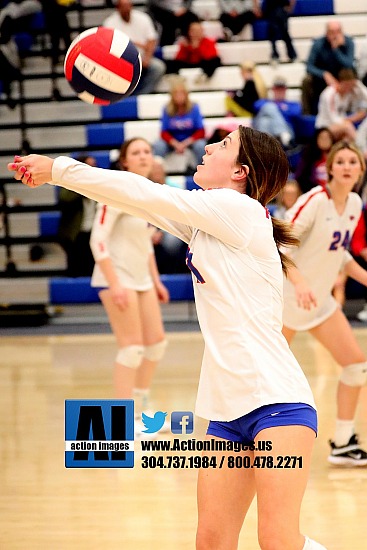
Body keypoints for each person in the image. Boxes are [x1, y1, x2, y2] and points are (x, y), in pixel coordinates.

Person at [9, 126, 327, 550]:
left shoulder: (240, 210)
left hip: (278, 401)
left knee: (277, 539)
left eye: (224, 144)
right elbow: (132, 197)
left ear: (240, 172)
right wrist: (60, 175)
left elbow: (146, 193)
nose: (209, 146)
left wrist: (60, 169)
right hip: (226, 410)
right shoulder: (208, 223)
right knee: (211, 541)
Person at [282, 140, 367, 467]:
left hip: (319, 303)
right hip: (287, 299)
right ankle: (245, 436)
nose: (347, 167)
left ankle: (343, 442)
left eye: (353, 162)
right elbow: (279, 245)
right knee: (267, 375)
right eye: (341, 161)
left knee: (356, 365)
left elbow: (339, 253)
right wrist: (300, 284)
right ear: (330, 168)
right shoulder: (314, 201)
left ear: (360, 170)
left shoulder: (355, 204)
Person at [91, 138, 170, 435]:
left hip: (142, 279)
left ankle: (141, 409)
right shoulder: (114, 191)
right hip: (117, 279)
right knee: (132, 348)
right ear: (124, 161)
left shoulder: (148, 194)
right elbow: (96, 240)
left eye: (147, 151)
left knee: (156, 344)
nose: (143, 156)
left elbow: (145, 245)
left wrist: (157, 280)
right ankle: (122, 422)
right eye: (135, 152)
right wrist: (115, 284)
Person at [103, 0, 165, 95]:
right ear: (118, 8)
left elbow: (152, 40)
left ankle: (140, 94)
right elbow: (109, 47)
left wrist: (147, 58)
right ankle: (123, 95)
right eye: (123, 6)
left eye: (128, 6)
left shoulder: (143, 18)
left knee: (158, 67)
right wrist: (139, 45)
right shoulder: (110, 23)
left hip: (143, 58)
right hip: (121, 61)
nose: (127, 9)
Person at [301, 21, 355, 115]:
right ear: (326, 33)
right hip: (322, 79)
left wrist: (336, 49)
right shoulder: (318, 44)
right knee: (307, 80)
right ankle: (307, 114)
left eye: (338, 32)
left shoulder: (348, 42)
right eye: (332, 32)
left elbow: (349, 64)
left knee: (351, 75)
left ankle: (352, 110)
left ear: (342, 32)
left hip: (341, 78)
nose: (335, 35)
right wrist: (324, 74)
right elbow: (309, 67)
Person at [153, 76, 206, 170]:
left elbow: (201, 131)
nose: (179, 96)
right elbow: (163, 133)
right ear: (172, 95)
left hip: (190, 140)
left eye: (181, 93)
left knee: (201, 145)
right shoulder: (167, 109)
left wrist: (185, 144)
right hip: (172, 141)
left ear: (186, 94)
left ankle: (202, 170)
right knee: (158, 145)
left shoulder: (194, 108)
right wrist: (176, 144)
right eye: (176, 94)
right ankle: (156, 171)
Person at [57, 155, 96, 277]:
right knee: (76, 269)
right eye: (88, 166)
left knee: (93, 270)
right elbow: (64, 198)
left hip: (94, 234)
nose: (92, 169)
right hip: (76, 235)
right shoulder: (70, 184)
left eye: (94, 166)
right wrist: (82, 186)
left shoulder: (99, 187)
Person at [315, 68, 367, 142]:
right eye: (347, 85)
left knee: (347, 138)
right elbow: (333, 118)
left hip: (341, 125)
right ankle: (361, 148)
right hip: (325, 127)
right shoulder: (329, 94)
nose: (349, 88)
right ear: (340, 82)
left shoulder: (349, 92)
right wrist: (348, 120)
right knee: (348, 127)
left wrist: (358, 84)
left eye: (352, 85)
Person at [252, 75, 301, 149]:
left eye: (281, 89)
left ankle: (262, 147)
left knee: (265, 118)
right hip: (279, 135)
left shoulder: (292, 104)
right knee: (265, 117)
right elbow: (255, 106)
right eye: (277, 89)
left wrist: (275, 109)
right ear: (273, 89)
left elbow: (296, 112)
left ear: (285, 89)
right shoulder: (267, 102)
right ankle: (282, 133)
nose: (279, 91)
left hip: (287, 129)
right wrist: (279, 108)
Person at [294, 128, 335, 194]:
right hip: (313, 192)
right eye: (322, 138)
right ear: (316, 139)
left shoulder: (338, 157)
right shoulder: (308, 158)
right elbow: (300, 177)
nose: (325, 140)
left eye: (327, 138)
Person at [261, 0, 297, 65]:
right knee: (274, 34)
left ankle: (291, 55)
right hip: (271, 9)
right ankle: (277, 55)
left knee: (284, 33)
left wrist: (291, 6)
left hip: (281, 9)